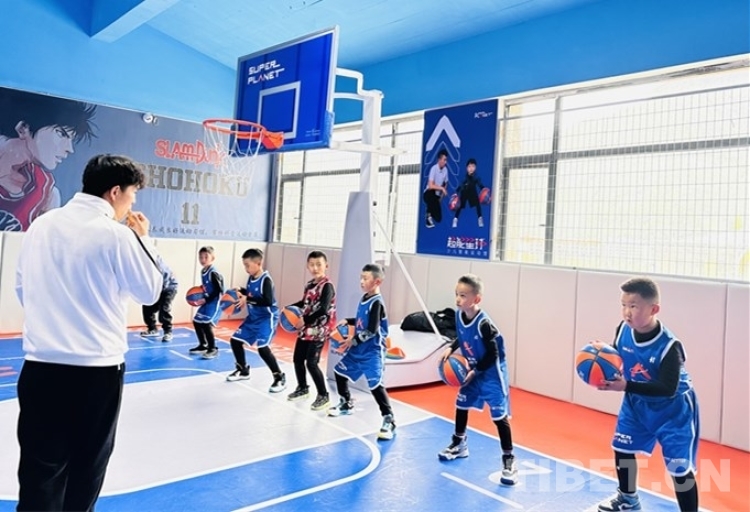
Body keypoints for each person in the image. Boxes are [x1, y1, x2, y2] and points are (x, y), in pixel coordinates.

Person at [14, 154, 162, 511]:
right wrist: (144, 240)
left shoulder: (41, 225)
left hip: (40, 367)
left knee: (38, 470)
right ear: (115, 192)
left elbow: (22, 289)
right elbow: (150, 292)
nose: (131, 205)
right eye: (132, 195)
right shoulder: (117, 235)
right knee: (86, 468)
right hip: (95, 372)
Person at [597, 277, 700, 512]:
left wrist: (625, 386)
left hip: (673, 410)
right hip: (636, 403)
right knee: (622, 447)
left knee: (679, 468)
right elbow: (618, 359)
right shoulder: (623, 330)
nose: (627, 312)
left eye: (633, 306)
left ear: (654, 309)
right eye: (623, 305)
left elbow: (667, 388)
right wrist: (602, 364)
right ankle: (628, 499)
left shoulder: (669, 346)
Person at [438, 273, 518, 486]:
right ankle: (459, 444)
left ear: (476, 299)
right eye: (457, 294)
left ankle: (509, 459)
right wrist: (451, 348)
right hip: (474, 369)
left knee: (499, 417)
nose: (458, 299)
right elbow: (462, 336)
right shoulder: (459, 315)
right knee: (461, 404)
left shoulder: (484, 324)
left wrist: (475, 371)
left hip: (492, 374)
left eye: (463, 295)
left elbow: (493, 354)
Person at [0, 89, 97, 231]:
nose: (70, 148)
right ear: (23, 128)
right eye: (61, 134)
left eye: (71, 139)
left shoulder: (47, 194)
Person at [328, 263, 395, 441]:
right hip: (359, 349)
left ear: (377, 281)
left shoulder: (377, 303)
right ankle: (345, 403)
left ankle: (389, 419)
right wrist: (348, 321)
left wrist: (352, 341)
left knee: (376, 386)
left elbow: (371, 330)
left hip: (372, 352)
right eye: (361, 277)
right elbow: (361, 321)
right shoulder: (364, 298)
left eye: (365, 278)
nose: (361, 281)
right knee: (339, 372)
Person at [225, 248, 286, 393]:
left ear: (258, 263)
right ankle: (243, 370)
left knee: (263, 348)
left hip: (266, 318)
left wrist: (247, 299)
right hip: (253, 318)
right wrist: (241, 290)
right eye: (244, 265)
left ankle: (279, 377)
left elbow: (267, 300)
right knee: (235, 341)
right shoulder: (251, 277)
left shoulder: (266, 280)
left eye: (247, 265)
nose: (245, 268)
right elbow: (252, 294)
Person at [286, 250, 336, 411]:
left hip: (319, 330)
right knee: (297, 359)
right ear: (307, 266)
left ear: (326, 266)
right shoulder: (309, 285)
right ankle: (302, 388)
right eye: (312, 265)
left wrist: (305, 320)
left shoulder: (327, 286)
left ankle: (323, 395)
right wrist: (289, 309)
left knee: (312, 363)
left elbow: (323, 309)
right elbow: (304, 303)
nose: (315, 268)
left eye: (319, 264)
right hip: (306, 329)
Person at [188, 246, 224, 359]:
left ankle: (213, 348)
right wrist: (201, 289)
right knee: (197, 321)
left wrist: (206, 299)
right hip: (207, 300)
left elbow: (218, 290)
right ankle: (203, 345)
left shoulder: (213, 272)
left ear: (212, 258)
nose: (203, 259)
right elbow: (208, 286)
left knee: (206, 324)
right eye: (201, 257)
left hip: (215, 301)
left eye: (206, 257)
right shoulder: (203, 271)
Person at [140, 254, 178, 342]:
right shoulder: (142, 266)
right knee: (147, 306)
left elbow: (166, 277)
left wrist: (159, 293)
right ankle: (152, 329)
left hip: (169, 287)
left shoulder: (157, 263)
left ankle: (168, 331)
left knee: (164, 309)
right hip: (156, 288)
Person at [452, 158, 486, 228]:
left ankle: (480, 218)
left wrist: (484, 189)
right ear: (467, 168)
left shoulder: (476, 177)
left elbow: (480, 184)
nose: (471, 168)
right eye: (469, 166)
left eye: (473, 166)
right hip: (464, 192)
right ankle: (455, 219)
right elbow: (460, 186)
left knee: (477, 203)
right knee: (459, 206)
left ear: (475, 168)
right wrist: (456, 193)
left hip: (472, 193)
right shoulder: (465, 178)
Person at [422, 148, 449, 228]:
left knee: (438, 218)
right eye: (444, 160)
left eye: (446, 160)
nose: (445, 162)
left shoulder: (445, 170)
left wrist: (441, 197)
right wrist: (442, 188)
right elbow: (430, 185)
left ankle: (431, 210)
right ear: (439, 160)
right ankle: (428, 215)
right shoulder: (434, 169)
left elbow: (446, 183)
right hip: (428, 194)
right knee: (432, 192)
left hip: (436, 197)